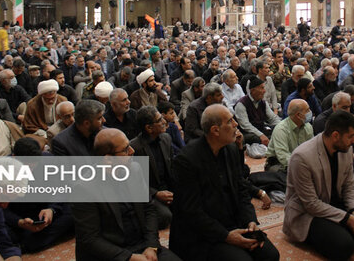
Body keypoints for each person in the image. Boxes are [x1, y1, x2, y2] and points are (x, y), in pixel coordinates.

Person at [170, 104, 280, 261]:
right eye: (230, 121)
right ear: (215, 130)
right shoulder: (187, 160)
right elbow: (191, 211)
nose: (236, 124)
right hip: (202, 233)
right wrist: (227, 236)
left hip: (233, 221)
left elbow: (241, 189)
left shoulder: (231, 149)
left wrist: (250, 220)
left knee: (270, 255)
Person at [284, 110, 354, 260]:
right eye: (351, 136)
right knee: (344, 247)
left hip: (337, 205)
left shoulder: (345, 148)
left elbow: (350, 186)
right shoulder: (302, 157)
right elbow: (311, 204)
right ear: (335, 135)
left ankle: (343, 229)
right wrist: (348, 220)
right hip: (308, 214)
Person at [73, 128, 180, 261]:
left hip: (142, 244)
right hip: (111, 253)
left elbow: (149, 209)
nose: (132, 151)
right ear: (108, 159)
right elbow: (90, 239)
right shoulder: (84, 188)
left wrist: (151, 246)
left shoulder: (134, 169)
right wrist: (130, 257)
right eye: (125, 150)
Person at [130, 106, 174, 229]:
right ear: (149, 128)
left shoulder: (166, 138)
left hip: (167, 188)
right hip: (150, 193)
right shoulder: (134, 148)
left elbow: (172, 169)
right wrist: (156, 194)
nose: (164, 121)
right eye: (160, 120)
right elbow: (134, 183)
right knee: (165, 216)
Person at [265, 99, 313, 173]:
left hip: (300, 162)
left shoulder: (308, 126)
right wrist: (303, 167)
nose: (310, 112)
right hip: (278, 164)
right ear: (298, 115)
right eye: (307, 110)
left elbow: (312, 149)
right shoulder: (281, 130)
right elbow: (283, 157)